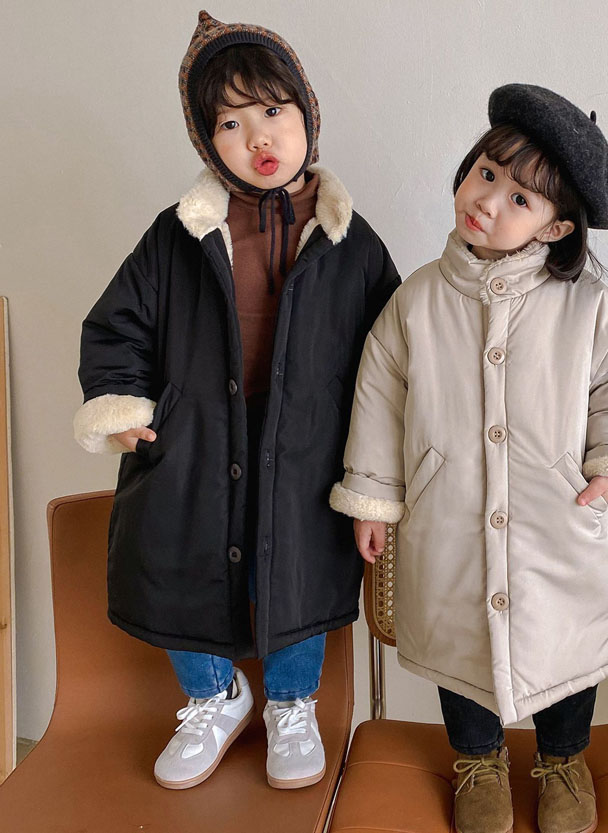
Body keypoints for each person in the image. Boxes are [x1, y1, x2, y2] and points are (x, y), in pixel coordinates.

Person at [74, 11, 399, 792]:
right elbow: (117, 323)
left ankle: (291, 703)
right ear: (205, 140)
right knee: (173, 552)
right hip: (194, 437)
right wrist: (124, 406)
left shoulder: (353, 243)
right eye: (229, 122)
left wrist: (377, 478)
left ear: (307, 115)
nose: (258, 136)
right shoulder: (176, 236)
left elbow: (392, 359)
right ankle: (213, 695)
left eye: (273, 110)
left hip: (308, 445)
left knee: (297, 563)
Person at [329, 84, 608, 833]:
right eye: (486, 174)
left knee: (568, 640)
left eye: (520, 198)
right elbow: (379, 398)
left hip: (560, 526)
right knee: (460, 640)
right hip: (447, 522)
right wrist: (373, 497)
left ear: (557, 225)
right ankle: (477, 761)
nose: (488, 201)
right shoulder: (416, 302)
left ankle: (564, 758)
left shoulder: (589, 308)